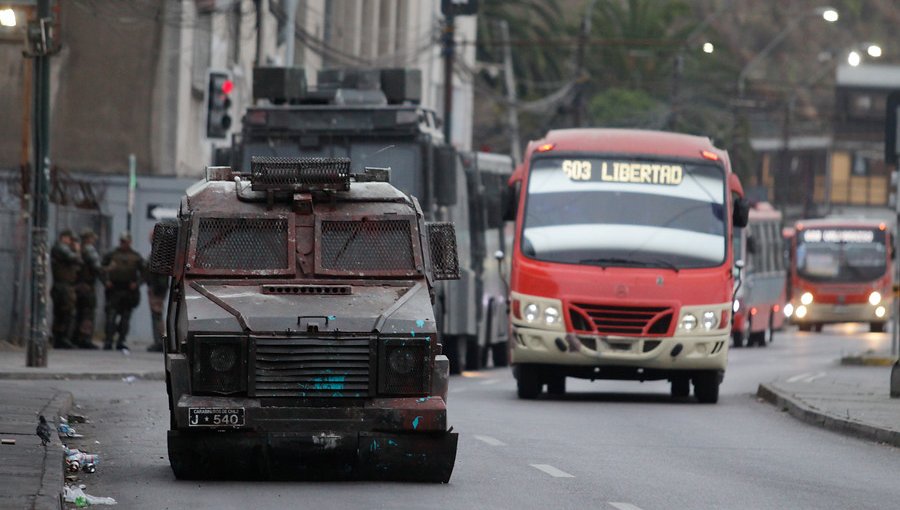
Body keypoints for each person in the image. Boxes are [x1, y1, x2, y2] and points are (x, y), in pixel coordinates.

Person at [102, 232, 145, 351]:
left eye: (125, 241)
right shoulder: (111, 254)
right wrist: (106, 281)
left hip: (128, 291)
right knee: (111, 316)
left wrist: (137, 283)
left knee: (125, 318)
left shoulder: (136, 256)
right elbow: (101, 268)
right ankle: (108, 340)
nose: (123, 244)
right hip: (114, 289)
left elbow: (145, 272)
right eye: (121, 241)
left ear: (130, 242)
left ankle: (121, 340)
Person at [50, 230, 81, 349]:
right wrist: (77, 250)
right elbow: (74, 258)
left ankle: (60, 337)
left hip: (63, 286)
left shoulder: (60, 249)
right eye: (70, 239)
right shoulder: (61, 248)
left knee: (61, 313)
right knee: (67, 312)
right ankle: (63, 338)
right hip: (63, 286)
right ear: (64, 237)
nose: (71, 242)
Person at [73, 228, 102, 349]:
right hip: (87, 286)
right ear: (89, 239)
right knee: (88, 312)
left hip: (78, 285)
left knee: (79, 312)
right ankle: (85, 338)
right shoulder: (89, 250)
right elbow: (96, 267)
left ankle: (77, 337)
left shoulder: (78, 250)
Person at [146, 225, 170, 353]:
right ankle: (158, 340)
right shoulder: (158, 251)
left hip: (157, 289)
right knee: (156, 314)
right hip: (155, 287)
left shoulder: (159, 252)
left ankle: (160, 341)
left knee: (157, 314)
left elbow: (161, 274)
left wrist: (157, 290)